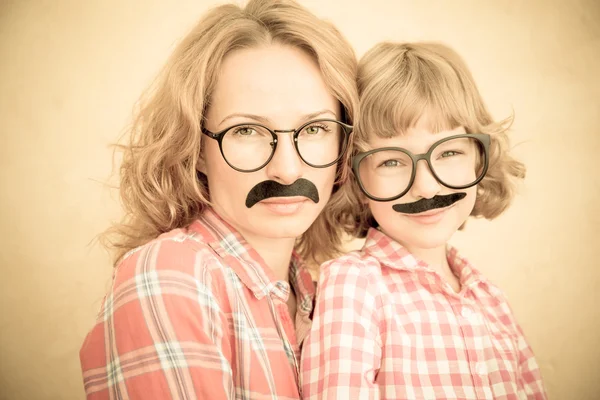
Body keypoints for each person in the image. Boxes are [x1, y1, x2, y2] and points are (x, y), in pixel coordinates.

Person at [79, 0, 357, 398]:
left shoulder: (319, 293)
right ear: (194, 149)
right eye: (246, 131)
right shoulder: (172, 275)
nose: (288, 169)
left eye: (315, 128)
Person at [301, 42, 547, 399]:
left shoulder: (490, 297)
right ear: (355, 177)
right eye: (391, 162)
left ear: (479, 159)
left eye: (448, 152)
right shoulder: (355, 286)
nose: (426, 186)